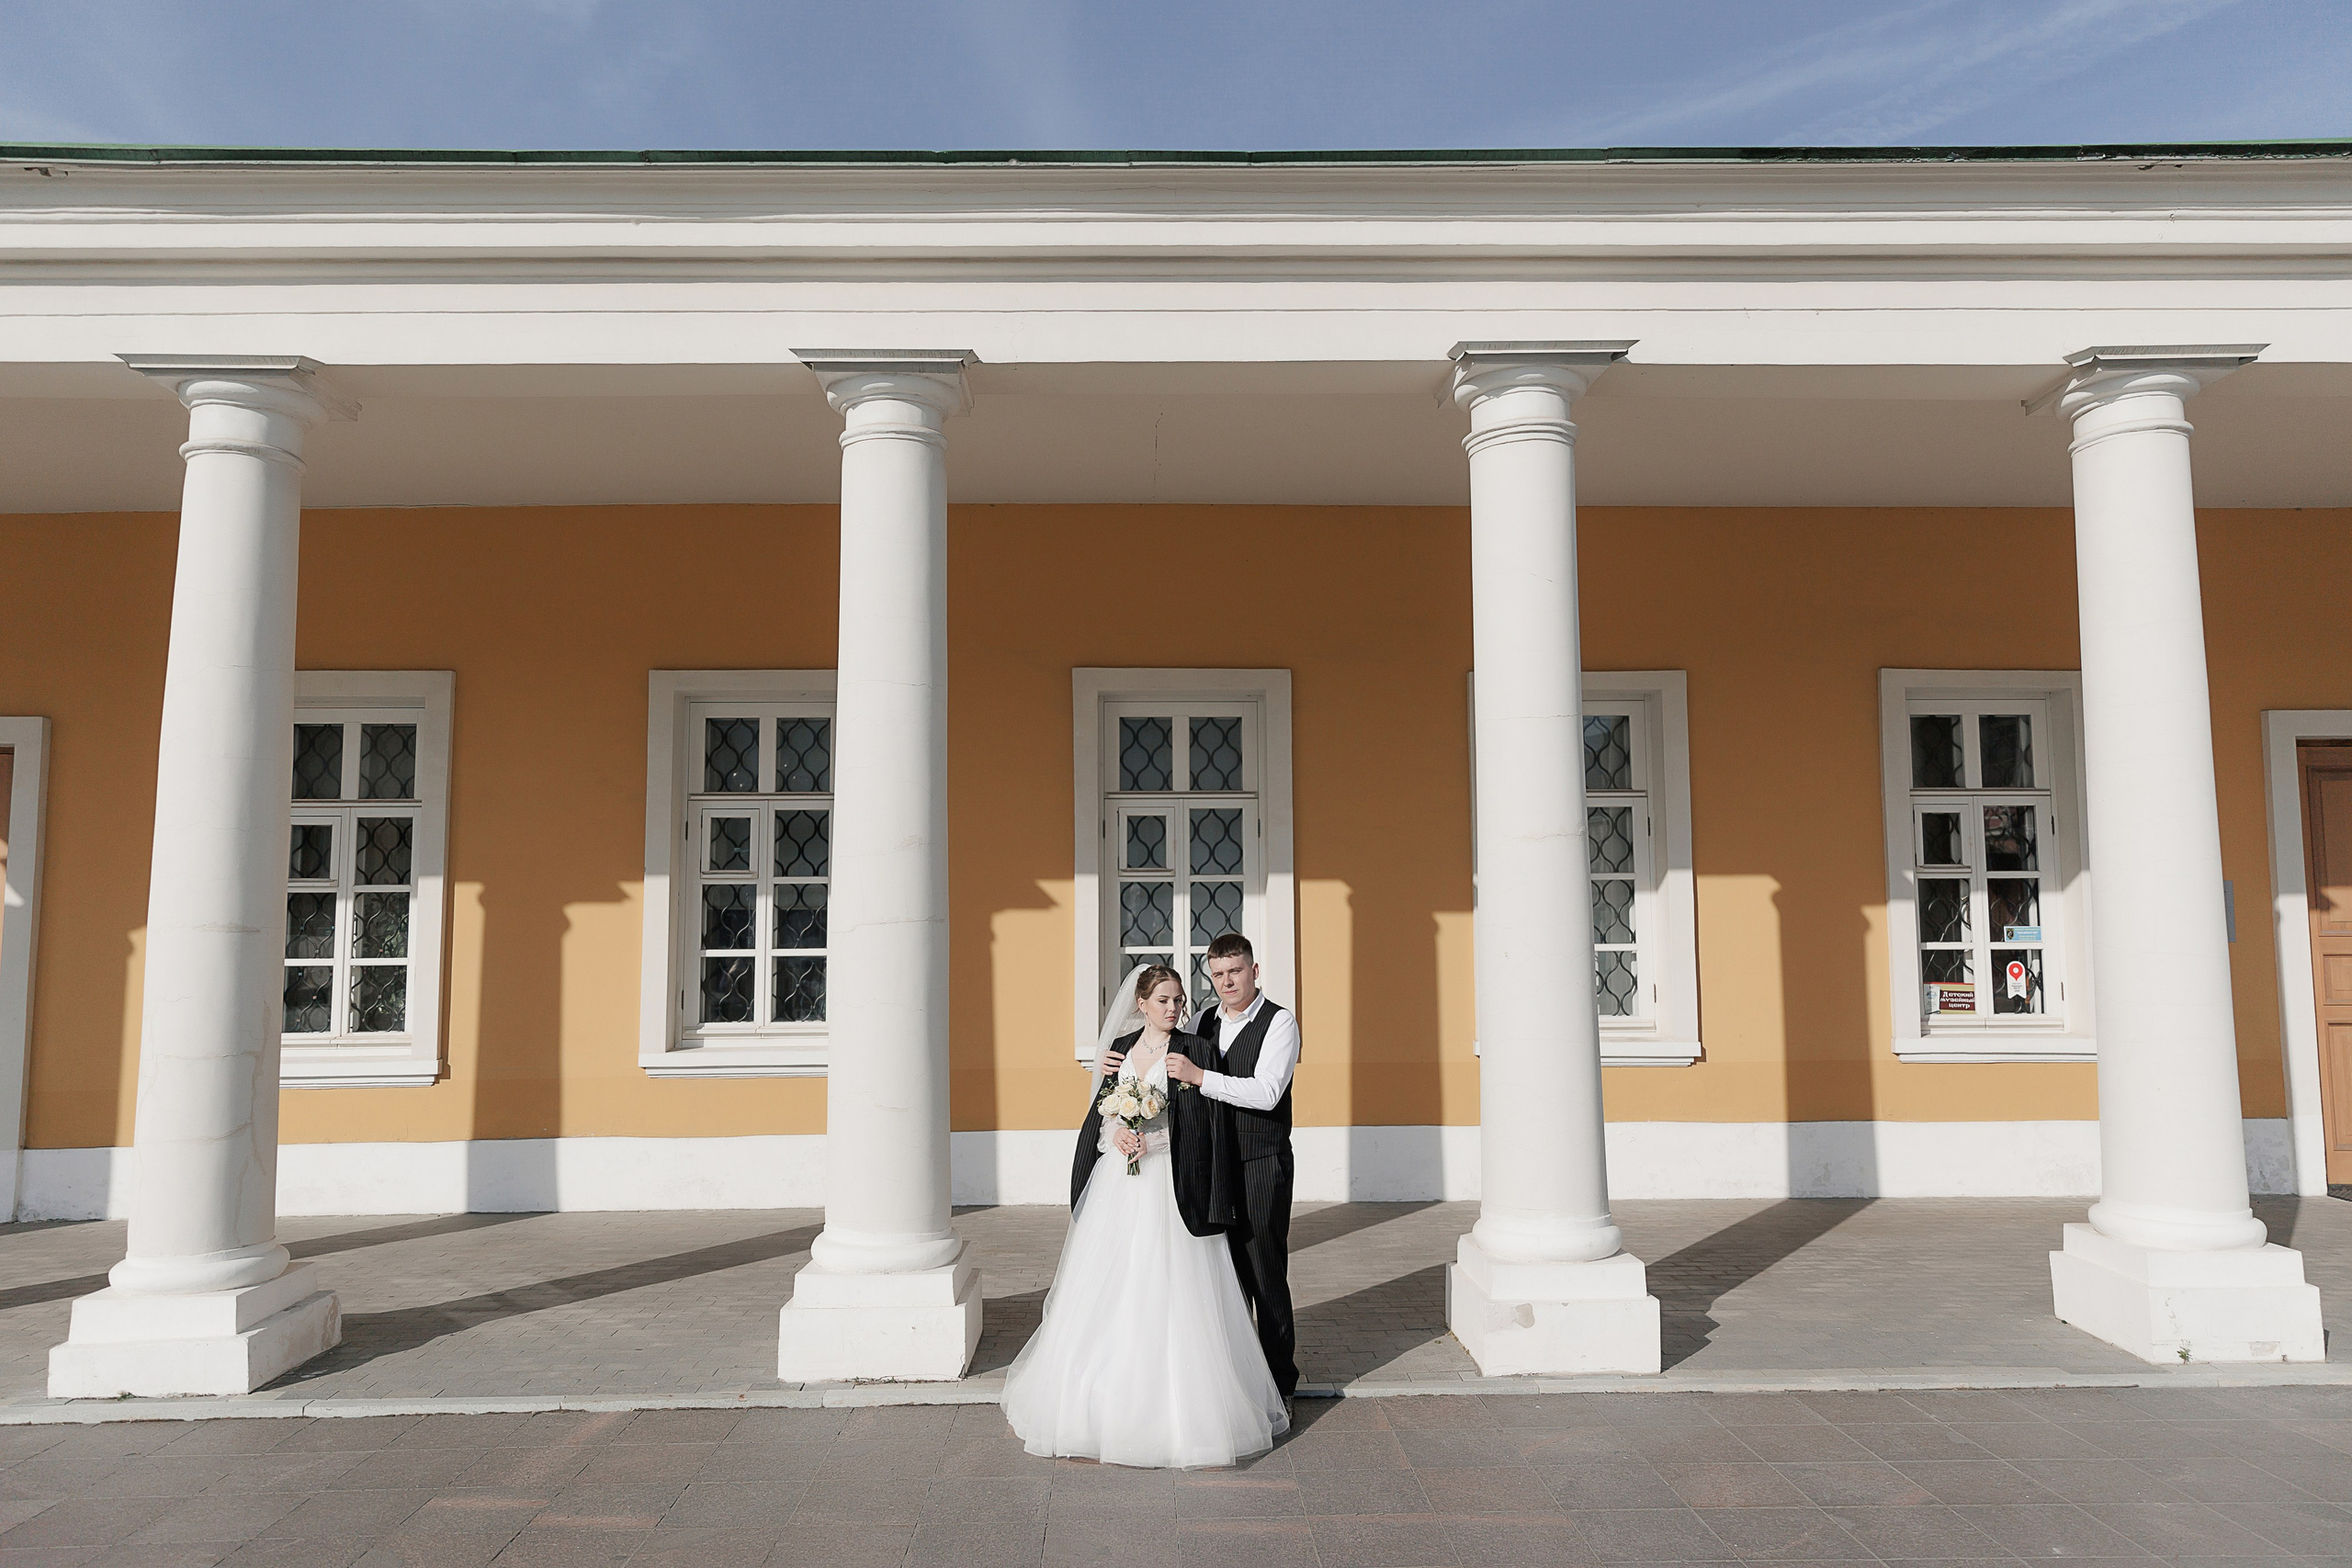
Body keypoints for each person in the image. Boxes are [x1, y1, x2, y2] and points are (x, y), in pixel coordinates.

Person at [1000, 964, 1287, 1468]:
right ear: (1141, 1004)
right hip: (1121, 1181)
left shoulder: (1195, 1049)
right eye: (1163, 1001)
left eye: (1179, 1000)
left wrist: (1159, 1139)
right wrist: (1118, 1134)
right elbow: (1106, 1108)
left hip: (1171, 1181)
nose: (1174, 1009)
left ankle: (1185, 1408)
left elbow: (1204, 1122)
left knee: (1175, 1287)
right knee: (1113, 1283)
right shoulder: (1121, 1051)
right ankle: (1099, 1400)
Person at [1163, 932, 1302, 1403]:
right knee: (1220, 1276)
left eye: (1235, 972)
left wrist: (1202, 1078)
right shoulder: (1201, 1020)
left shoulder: (1280, 1023)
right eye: (1218, 974)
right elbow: (1158, 1054)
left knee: (1264, 1273)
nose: (1227, 982)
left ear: (1254, 971)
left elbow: (1266, 1093)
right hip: (1212, 1165)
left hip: (1262, 1163)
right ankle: (1238, 1382)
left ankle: (1281, 1383)